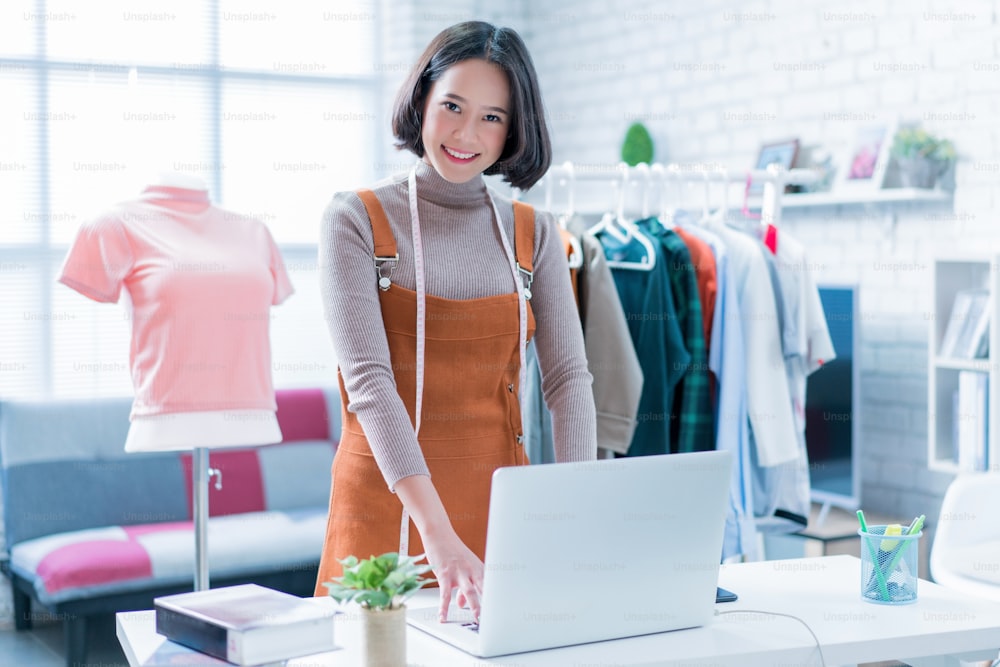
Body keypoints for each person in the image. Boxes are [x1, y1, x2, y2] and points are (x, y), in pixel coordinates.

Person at [315, 21, 597, 622]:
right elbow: (369, 383)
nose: (467, 134)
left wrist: (577, 511)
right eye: (453, 106)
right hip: (386, 506)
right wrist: (438, 542)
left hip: (497, 509)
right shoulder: (357, 220)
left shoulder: (536, 233)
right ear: (421, 100)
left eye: (493, 117)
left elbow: (569, 377)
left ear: (515, 129)